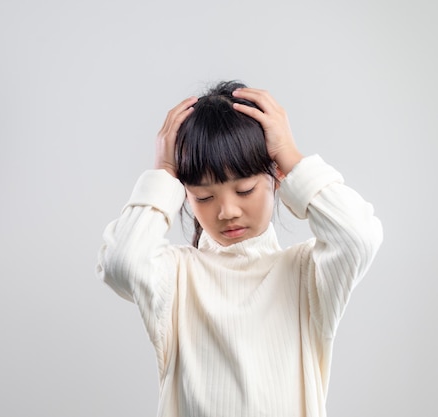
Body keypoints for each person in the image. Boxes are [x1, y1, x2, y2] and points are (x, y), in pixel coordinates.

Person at [96, 80, 383, 417]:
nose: (227, 211)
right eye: (204, 196)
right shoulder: (176, 276)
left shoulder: (305, 273)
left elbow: (358, 235)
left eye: (245, 190)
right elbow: (122, 261)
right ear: (184, 193)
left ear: (275, 178)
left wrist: (290, 155)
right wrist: (164, 174)